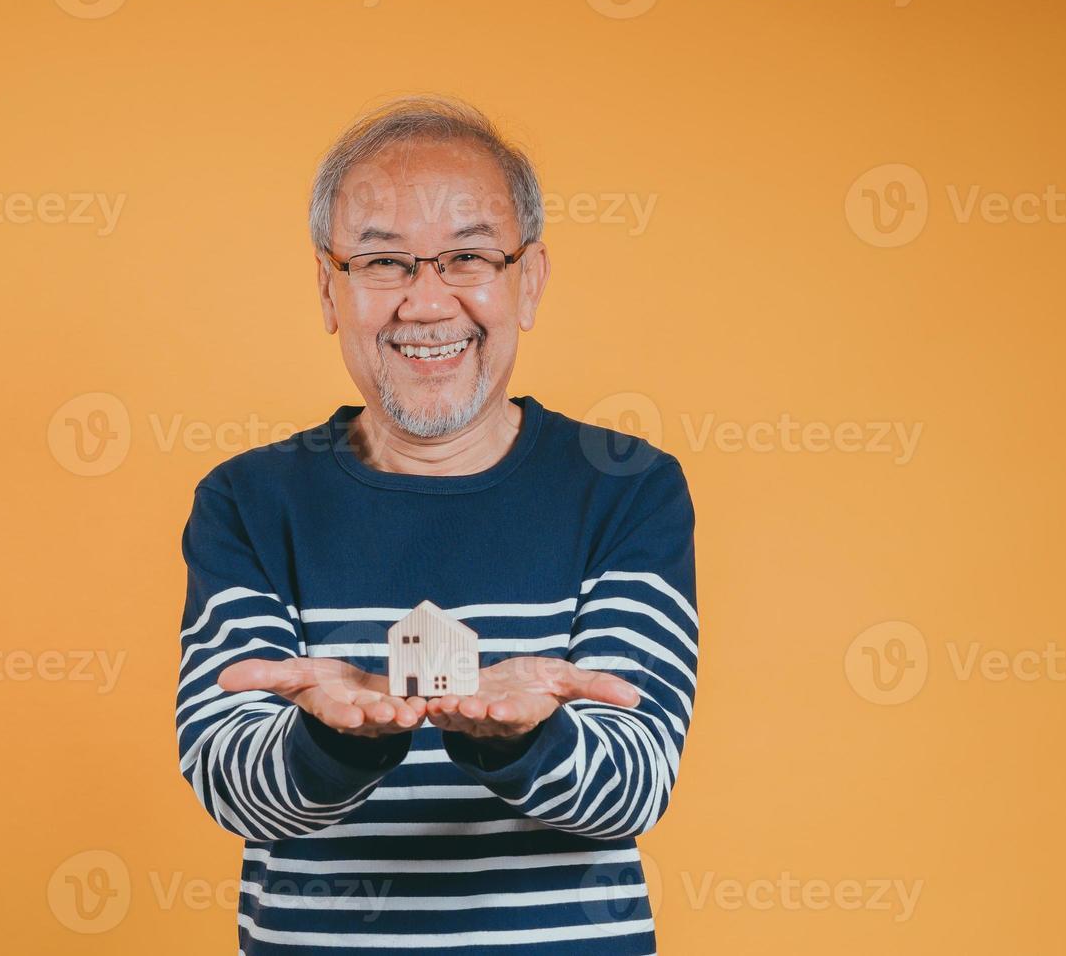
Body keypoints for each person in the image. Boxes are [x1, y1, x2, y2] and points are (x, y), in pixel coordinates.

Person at [175, 95, 699, 955]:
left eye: (468, 256)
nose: (425, 303)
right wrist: (331, 739)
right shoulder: (248, 500)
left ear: (527, 280)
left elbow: (634, 786)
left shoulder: (626, 487)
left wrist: (524, 736)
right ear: (328, 290)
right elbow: (234, 791)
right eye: (383, 264)